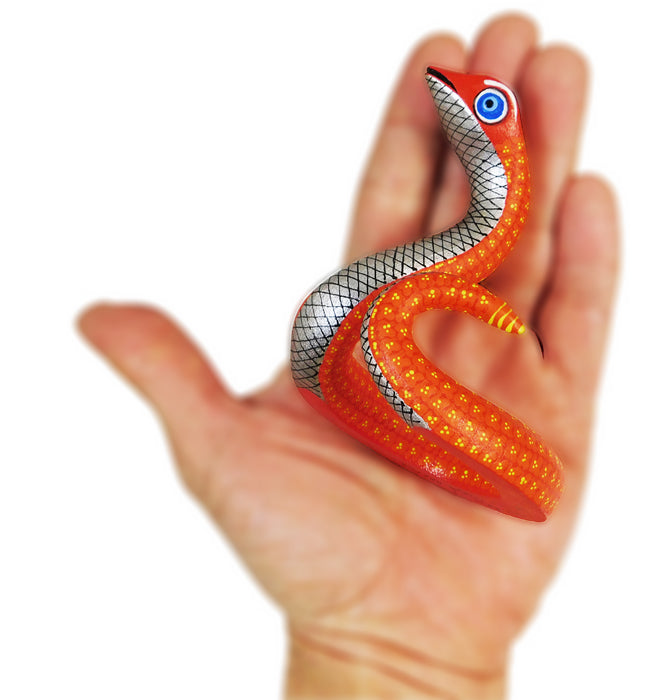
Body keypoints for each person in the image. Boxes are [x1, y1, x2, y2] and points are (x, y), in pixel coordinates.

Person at [78, 13, 619, 700]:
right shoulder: (384, 321)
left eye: (486, 106)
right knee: (379, 318)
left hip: (439, 426)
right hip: (348, 385)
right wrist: (389, 659)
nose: (465, 102)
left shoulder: (470, 240)